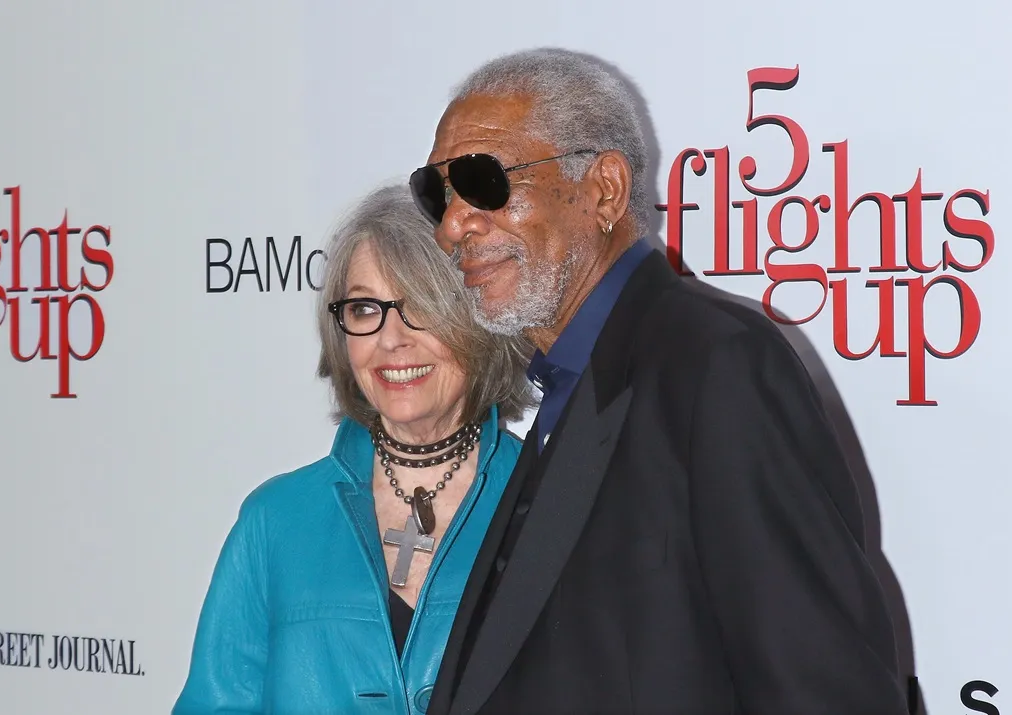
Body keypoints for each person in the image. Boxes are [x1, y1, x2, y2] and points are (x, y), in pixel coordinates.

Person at [410, 48, 908, 715]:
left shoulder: (716, 367)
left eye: (484, 182)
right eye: (438, 194)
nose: (451, 225)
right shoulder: (572, 390)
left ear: (606, 190)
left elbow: (827, 690)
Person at [170, 184, 534, 715]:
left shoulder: (545, 505)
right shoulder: (276, 521)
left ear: (478, 319)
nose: (391, 340)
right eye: (365, 309)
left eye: (420, 307)